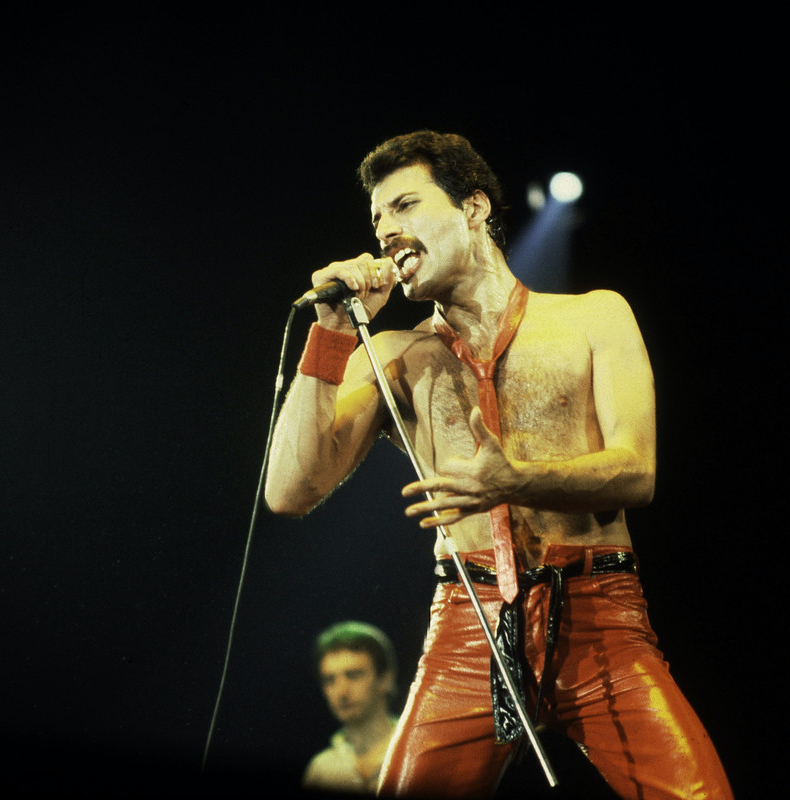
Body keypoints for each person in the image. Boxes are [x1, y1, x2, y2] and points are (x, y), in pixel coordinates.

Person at [265, 130, 733, 799]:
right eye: (375, 219)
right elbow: (289, 490)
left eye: (403, 206)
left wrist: (516, 481)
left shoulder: (593, 318)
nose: (386, 231)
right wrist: (333, 337)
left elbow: (637, 473)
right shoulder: (393, 353)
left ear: (474, 207)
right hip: (467, 621)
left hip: (598, 616)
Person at [303, 621, 400, 795]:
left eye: (354, 675)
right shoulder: (321, 769)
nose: (341, 692)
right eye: (329, 680)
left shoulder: (417, 750)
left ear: (386, 679)